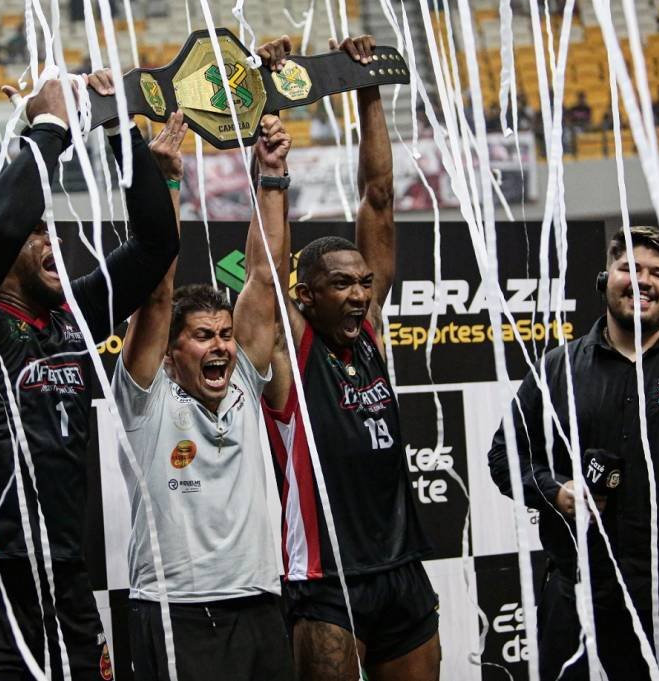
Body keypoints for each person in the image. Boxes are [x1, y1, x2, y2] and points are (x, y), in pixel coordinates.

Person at [0, 71, 179, 680]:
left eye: (51, 230)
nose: (53, 242)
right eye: (38, 234)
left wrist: (117, 126)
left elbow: (157, 245)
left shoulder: (72, 316)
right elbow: (1, 225)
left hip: (62, 574)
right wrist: (49, 127)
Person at [487, 225, 659, 681]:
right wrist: (558, 492)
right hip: (583, 597)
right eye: (629, 268)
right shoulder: (559, 369)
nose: (644, 281)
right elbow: (505, 457)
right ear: (605, 278)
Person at [259, 35, 441, 681]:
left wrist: (366, 85)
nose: (361, 293)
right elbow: (264, 265)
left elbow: (379, 196)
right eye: (343, 283)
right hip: (325, 578)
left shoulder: (371, 333)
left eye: (365, 281)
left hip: (399, 566)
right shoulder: (291, 341)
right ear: (305, 294)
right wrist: (264, 97)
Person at [112, 111, 294, 681]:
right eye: (203, 336)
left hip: (260, 603)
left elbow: (264, 276)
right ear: (170, 352)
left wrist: (271, 176)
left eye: (224, 333)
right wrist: (166, 182)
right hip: (174, 611)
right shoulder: (147, 398)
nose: (220, 345)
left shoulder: (241, 377)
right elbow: (158, 293)